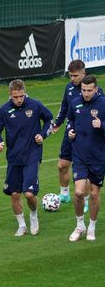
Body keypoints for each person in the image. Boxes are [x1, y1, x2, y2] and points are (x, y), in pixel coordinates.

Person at [0, 79, 53, 236]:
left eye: (21, 96)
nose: (19, 100)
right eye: (15, 97)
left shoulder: (35, 105)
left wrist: (43, 134)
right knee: (14, 194)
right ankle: (21, 225)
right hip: (13, 157)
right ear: (10, 95)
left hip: (32, 154)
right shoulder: (4, 110)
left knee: (30, 194)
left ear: (25, 93)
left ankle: (33, 216)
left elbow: (49, 120)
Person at [52, 60, 101, 212]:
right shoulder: (69, 88)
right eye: (70, 75)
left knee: (85, 172)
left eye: (75, 75)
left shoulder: (96, 92)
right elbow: (65, 107)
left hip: (88, 137)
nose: (72, 78)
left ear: (83, 74)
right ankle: (64, 194)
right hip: (71, 132)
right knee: (62, 165)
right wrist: (58, 123)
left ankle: (85, 200)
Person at [66, 75, 105, 242]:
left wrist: (102, 125)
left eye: (89, 91)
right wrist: (70, 130)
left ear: (96, 89)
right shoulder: (75, 102)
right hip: (80, 155)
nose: (86, 94)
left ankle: (92, 227)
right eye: (83, 90)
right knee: (79, 191)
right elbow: (70, 120)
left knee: (95, 195)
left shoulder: (103, 103)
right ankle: (80, 224)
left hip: (98, 157)